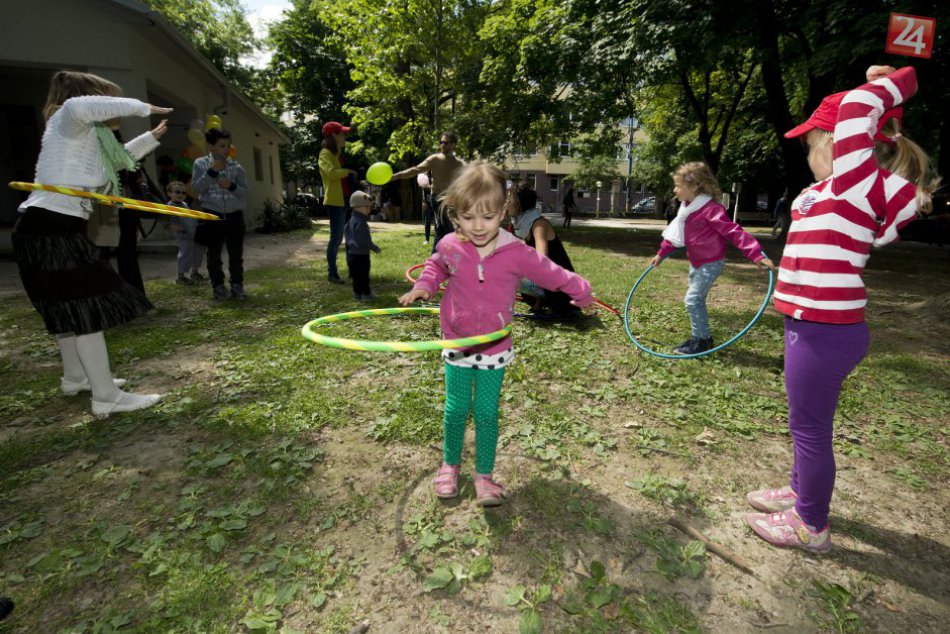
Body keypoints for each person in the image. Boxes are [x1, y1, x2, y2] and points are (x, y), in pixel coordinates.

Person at [745, 65, 938, 552]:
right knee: (802, 421)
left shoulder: (856, 183)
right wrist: (888, 115)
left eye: (812, 144)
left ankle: (811, 524)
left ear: (839, 144)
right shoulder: (833, 192)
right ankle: (799, 490)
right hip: (808, 326)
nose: (808, 156)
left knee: (809, 428)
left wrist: (893, 82)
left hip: (824, 332)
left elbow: (857, 111)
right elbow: (814, 205)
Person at [399, 161, 595, 507]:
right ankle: (450, 465)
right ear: (455, 212)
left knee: (487, 412)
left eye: (487, 217)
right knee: (457, 408)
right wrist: (424, 287)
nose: (477, 226)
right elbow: (434, 267)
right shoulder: (449, 244)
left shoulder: (516, 252)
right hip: (457, 343)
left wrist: (580, 289)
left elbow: (551, 272)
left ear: (503, 210)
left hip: (493, 346)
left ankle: (484, 477)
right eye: (468, 216)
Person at [11, 70, 167, 416]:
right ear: (92, 98)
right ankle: (105, 396)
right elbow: (82, 108)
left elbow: (118, 160)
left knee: (67, 308)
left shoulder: (82, 140)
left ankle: (76, 377)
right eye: (108, 100)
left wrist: (151, 137)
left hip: (47, 228)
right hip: (49, 229)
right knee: (85, 310)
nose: (112, 110)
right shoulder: (68, 119)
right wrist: (142, 107)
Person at [650, 162, 775, 355]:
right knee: (696, 300)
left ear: (693, 187)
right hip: (696, 262)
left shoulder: (711, 210)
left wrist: (755, 254)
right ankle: (700, 338)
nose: (674, 190)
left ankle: (701, 340)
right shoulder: (686, 209)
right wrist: (661, 254)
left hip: (711, 262)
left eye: (678, 185)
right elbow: (675, 236)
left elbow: (734, 232)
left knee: (692, 300)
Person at [192, 127, 248, 300]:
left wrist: (231, 186)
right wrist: (212, 171)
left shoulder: (236, 167)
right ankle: (218, 287)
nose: (226, 149)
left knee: (236, 255)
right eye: (222, 146)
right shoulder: (200, 164)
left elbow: (245, 191)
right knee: (214, 255)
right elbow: (196, 188)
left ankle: (237, 286)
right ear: (212, 147)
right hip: (212, 216)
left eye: (228, 145)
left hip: (234, 217)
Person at [511, 183, 581, 318]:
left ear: (519, 203)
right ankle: (542, 302)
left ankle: (555, 305)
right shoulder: (524, 226)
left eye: (509, 198)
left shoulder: (539, 225)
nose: (505, 201)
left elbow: (541, 260)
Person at [391, 131, 465, 251]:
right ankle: (446, 259)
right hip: (438, 200)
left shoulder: (459, 163)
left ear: (453, 144)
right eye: (441, 142)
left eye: (445, 142)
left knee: (441, 230)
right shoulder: (434, 159)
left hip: (452, 201)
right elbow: (415, 170)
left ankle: (435, 259)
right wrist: (397, 175)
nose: (442, 145)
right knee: (449, 229)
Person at [318, 121, 357, 284]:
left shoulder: (337, 154)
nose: (345, 136)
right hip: (335, 202)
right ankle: (332, 273)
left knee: (349, 236)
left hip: (346, 200)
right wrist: (347, 172)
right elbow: (331, 174)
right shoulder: (325, 154)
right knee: (336, 238)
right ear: (334, 135)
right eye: (342, 134)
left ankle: (352, 270)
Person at [165, 180, 205, 285]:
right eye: (177, 192)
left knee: (197, 251)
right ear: (169, 193)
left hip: (193, 233)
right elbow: (170, 222)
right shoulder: (170, 206)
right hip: (183, 235)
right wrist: (180, 229)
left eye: (183, 193)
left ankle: (195, 273)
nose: (180, 195)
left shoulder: (184, 204)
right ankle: (181, 276)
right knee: (185, 254)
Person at [344, 191, 382, 301]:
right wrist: (375, 248)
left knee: (356, 276)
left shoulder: (351, 220)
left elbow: (347, 235)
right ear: (358, 207)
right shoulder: (360, 223)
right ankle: (366, 294)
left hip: (352, 254)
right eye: (367, 207)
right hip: (361, 255)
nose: (369, 210)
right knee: (364, 276)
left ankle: (357, 294)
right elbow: (363, 240)